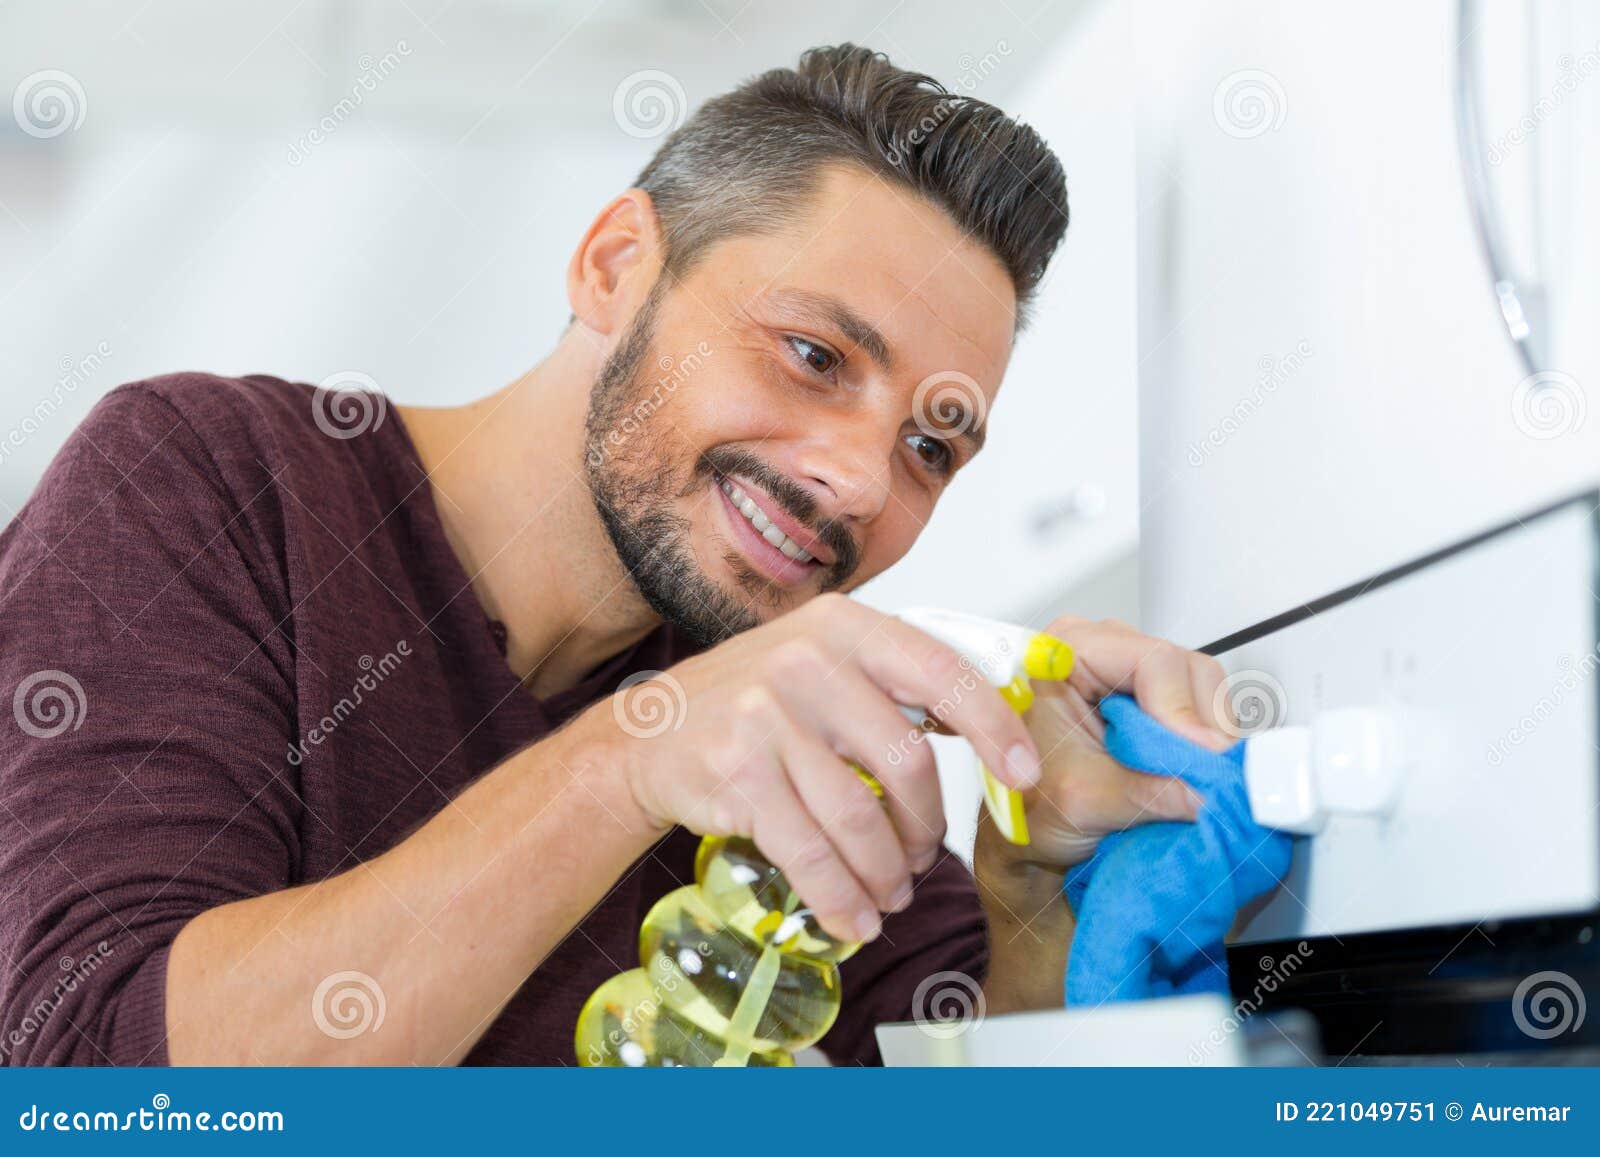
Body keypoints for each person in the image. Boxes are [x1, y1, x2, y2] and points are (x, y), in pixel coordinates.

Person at [0, 44, 1230, 1066]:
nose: (860, 478)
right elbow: (87, 1080)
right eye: (811, 354)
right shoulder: (210, 480)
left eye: (930, 444)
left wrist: (1025, 929)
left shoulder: (793, 737)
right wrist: (624, 766)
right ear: (614, 266)